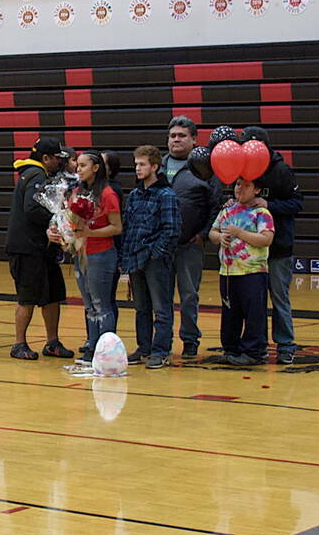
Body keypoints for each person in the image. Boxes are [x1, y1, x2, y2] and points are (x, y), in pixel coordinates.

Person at [240, 129, 305, 365]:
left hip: (278, 247)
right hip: (249, 248)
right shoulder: (242, 169)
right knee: (252, 300)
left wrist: (270, 204)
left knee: (279, 297)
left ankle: (286, 344)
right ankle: (256, 345)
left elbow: (297, 204)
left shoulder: (281, 171)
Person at [6, 138, 72, 361]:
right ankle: (19, 343)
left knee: (52, 295)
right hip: (27, 249)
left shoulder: (38, 175)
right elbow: (32, 208)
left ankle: (52, 342)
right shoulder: (36, 174)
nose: (59, 163)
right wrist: (56, 220)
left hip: (43, 249)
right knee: (27, 297)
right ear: (46, 158)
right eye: (56, 159)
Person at [59, 148, 122, 366]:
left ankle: (107, 352)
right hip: (81, 253)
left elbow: (117, 227)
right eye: (77, 164)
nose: (78, 168)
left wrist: (90, 233)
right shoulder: (76, 191)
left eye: (83, 165)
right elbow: (70, 221)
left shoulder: (107, 193)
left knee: (101, 304)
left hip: (102, 254)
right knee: (89, 305)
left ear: (96, 168)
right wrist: (64, 232)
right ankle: (93, 347)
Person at [119, 146, 181, 368]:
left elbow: (172, 230)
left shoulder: (167, 195)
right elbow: (128, 228)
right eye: (136, 164)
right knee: (141, 307)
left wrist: (156, 254)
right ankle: (143, 347)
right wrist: (125, 259)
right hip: (135, 258)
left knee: (161, 308)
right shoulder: (135, 195)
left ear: (155, 167)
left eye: (142, 164)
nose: (138, 168)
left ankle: (161, 350)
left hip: (155, 261)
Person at [206, 173, 275, 366]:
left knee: (254, 313)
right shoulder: (227, 210)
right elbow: (213, 231)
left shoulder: (261, 213)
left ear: (257, 190)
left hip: (252, 271)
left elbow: (266, 239)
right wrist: (220, 238)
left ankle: (254, 352)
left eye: (246, 185)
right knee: (230, 314)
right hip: (228, 271)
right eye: (237, 184)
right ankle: (231, 349)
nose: (239, 188)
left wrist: (240, 233)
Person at [162, 118, 214, 361]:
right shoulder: (157, 165)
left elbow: (215, 206)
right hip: (160, 245)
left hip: (189, 245)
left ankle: (190, 340)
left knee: (189, 295)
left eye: (181, 135)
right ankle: (161, 343)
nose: (176, 140)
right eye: (172, 135)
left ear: (194, 139)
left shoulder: (205, 168)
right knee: (160, 296)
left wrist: (203, 235)